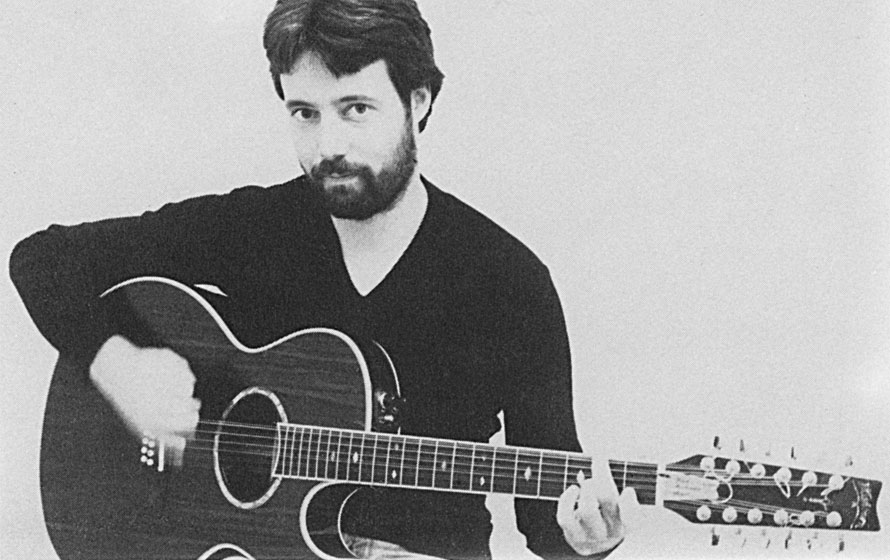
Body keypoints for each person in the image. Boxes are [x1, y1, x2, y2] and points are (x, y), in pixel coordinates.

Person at [10, 1, 635, 558]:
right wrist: (116, 364)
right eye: (304, 113)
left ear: (418, 102)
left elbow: (547, 515)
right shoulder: (257, 226)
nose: (327, 143)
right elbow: (42, 258)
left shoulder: (507, 281)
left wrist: (587, 540)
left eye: (355, 109)